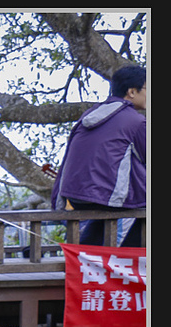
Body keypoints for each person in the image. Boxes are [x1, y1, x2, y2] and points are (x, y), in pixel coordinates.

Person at [51, 64, 146, 247]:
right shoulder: (136, 122)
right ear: (132, 92)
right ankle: (130, 254)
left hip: (77, 196)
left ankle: (88, 249)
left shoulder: (90, 115)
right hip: (107, 196)